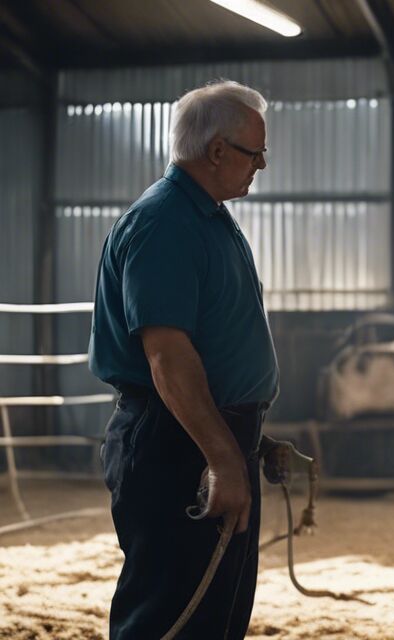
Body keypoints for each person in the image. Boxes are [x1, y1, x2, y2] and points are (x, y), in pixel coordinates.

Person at [88, 79, 279, 639]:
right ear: (217, 151)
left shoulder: (207, 215)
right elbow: (167, 356)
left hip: (207, 437)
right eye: (254, 152)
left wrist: (246, 434)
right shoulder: (166, 222)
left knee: (215, 611)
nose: (262, 164)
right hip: (177, 445)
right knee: (174, 610)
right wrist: (222, 457)